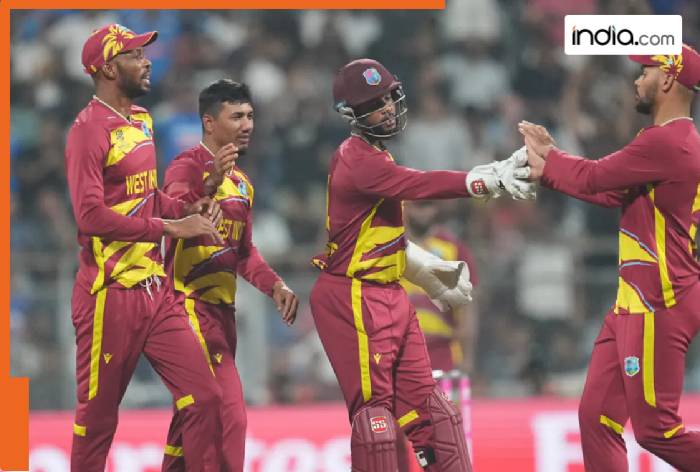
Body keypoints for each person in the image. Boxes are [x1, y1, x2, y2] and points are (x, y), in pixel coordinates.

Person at [309, 58, 535, 472]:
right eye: (373, 105)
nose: (386, 109)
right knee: (376, 423)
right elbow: (418, 184)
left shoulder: (377, 154)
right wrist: (484, 179)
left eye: (388, 98)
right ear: (351, 115)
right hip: (354, 297)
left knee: (435, 413)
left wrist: (420, 266)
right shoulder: (357, 158)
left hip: (388, 292)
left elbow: (371, 235)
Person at [519, 44, 700, 472]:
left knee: (657, 431)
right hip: (635, 300)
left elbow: (596, 176)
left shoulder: (668, 142)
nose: (636, 80)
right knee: (596, 417)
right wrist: (550, 169)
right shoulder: (667, 141)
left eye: (645, 72)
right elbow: (610, 192)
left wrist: (551, 158)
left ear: (668, 79)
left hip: (659, 300)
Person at [65, 24, 226, 471]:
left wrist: (189, 204)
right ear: (108, 68)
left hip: (156, 292)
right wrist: (172, 227)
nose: (147, 61)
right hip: (109, 295)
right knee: (98, 421)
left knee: (206, 398)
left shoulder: (141, 119)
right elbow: (90, 217)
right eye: (135, 55)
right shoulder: (87, 131)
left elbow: (146, 196)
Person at [161, 79, 300, 472]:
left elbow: (244, 253)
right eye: (236, 116)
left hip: (222, 315)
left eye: (250, 116)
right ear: (209, 123)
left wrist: (275, 285)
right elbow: (172, 210)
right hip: (186, 308)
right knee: (227, 417)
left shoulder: (242, 184)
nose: (247, 125)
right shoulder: (187, 165)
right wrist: (208, 185)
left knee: (194, 421)